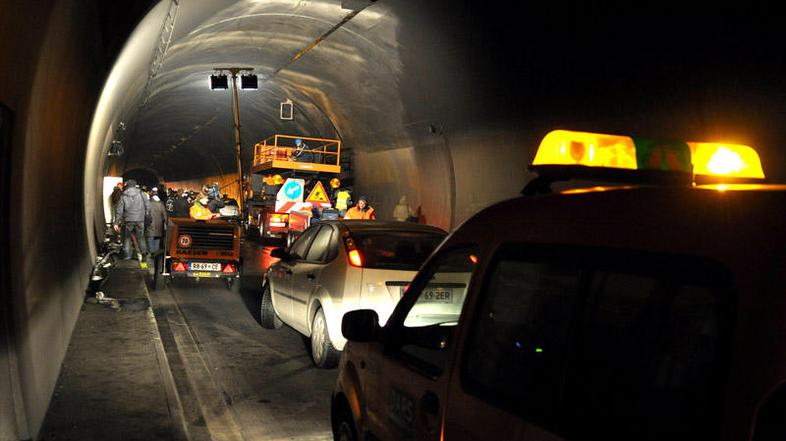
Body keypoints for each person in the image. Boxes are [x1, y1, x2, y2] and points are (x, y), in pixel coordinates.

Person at [113, 179, 150, 259]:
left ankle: (127, 255)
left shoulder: (123, 195)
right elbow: (147, 205)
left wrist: (116, 222)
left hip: (128, 219)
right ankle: (143, 253)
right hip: (140, 219)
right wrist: (146, 214)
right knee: (140, 237)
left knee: (127, 237)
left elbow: (119, 210)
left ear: (128, 185)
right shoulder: (141, 193)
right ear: (135, 185)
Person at [146, 188, 168, 254]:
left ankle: (152, 252)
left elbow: (146, 214)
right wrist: (166, 223)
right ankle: (155, 253)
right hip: (159, 225)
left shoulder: (148, 203)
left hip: (150, 224)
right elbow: (165, 215)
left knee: (150, 239)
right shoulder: (161, 204)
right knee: (157, 239)